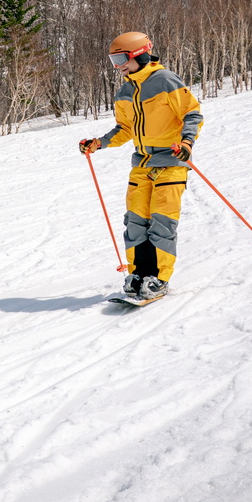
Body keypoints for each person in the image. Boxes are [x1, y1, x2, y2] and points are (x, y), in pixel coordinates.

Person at [79, 32, 203, 301]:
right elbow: (125, 128)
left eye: (121, 58)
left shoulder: (165, 80)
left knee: (162, 221)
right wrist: (99, 143)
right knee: (135, 221)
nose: (117, 65)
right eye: (113, 59)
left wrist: (187, 143)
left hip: (171, 161)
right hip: (142, 163)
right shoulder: (125, 90)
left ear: (139, 54)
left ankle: (158, 279)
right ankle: (138, 275)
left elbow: (191, 113)